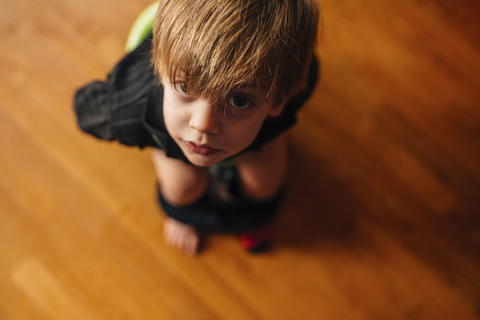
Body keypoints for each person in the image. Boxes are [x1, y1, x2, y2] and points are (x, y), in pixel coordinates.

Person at [74, 0, 320, 255]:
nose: (202, 124)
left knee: (264, 181)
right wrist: (148, 136)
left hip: (264, 126)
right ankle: (183, 214)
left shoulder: (292, 80)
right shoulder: (127, 105)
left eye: (239, 100)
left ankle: (252, 216)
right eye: (185, 87)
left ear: (279, 101)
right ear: (159, 70)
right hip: (164, 126)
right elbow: (88, 109)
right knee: (182, 187)